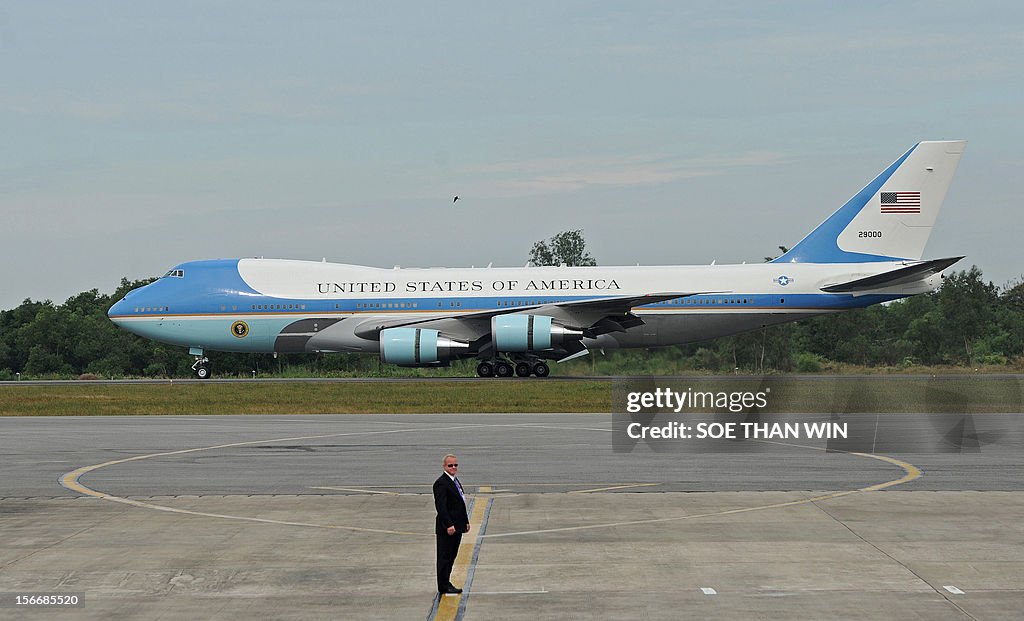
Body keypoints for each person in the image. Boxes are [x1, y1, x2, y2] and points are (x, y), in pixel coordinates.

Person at [433, 453, 470, 594]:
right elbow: (441, 507)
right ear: (444, 466)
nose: (453, 467)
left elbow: (460, 503)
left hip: (458, 526)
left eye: (455, 465)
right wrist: (449, 524)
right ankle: (443, 585)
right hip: (447, 528)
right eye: (450, 465)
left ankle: (446, 581)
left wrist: (465, 521)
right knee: (444, 557)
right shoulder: (441, 483)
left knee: (452, 556)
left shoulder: (454, 480)